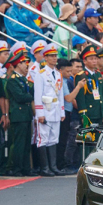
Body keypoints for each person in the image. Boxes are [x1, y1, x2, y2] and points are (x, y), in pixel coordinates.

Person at [33, 43, 65, 176]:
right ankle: (44, 168)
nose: (54, 58)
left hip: (56, 110)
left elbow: (60, 94)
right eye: (51, 56)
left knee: (53, 139)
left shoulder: (58, 74)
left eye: (55, 56)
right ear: (45, 58)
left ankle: (53, 166)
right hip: (45, 110)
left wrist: (62, 111)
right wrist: (39, 113)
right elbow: (38, 94)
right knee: (43, 138)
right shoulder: (41, 74)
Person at [5, 51, 36, 177]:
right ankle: (17, 168)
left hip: (26, 114)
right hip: (18, 115)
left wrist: (28, 96)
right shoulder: (13, 80)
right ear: (18, 64)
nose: (26, 65)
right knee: (19, 143)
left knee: (26, 143)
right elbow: (20, 97)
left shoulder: (22, 79)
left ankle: (26, 168)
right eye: (23, 63)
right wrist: (29, 96)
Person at [74, 45, 103, 127]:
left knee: (99, 137)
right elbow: (80, 98)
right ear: (84, 61)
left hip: (99, 112)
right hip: (89, 113)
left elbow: (102, 94)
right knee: (89, 138)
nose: (94, 61)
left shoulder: (98, 74)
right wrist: (83, 115)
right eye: (91, 59)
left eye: (95, 58)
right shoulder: (81, 76)